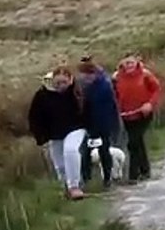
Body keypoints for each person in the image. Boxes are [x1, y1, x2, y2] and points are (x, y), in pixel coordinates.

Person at [28, 66, 88, 200]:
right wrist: (40, 136)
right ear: (52, 82)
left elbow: (88, 109)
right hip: (54, 133)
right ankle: (65, 187)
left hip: (76, 128)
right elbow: (35, 117)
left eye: (64, 83)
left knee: (71, 150)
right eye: (58, 83)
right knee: (60, 164)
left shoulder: (77, 91)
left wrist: (94, 129)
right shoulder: (42, 95)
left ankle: (75, 186)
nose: (61, 86)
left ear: (70, 80)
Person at [113, 55, 162, 183]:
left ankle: (133, 175)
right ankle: (145, 170)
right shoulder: (116, 77)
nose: (129, 65)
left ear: (136, 62)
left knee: (133, 142)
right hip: (126, 115)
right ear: (122, 64)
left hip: (143, 114)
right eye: (126, 63)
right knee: (137, 142)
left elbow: (156, 89)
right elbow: (114, 94)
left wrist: (150, 104)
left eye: (131, 62)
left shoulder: (145, 75)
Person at [76, 57, 120, 190]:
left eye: (87, 75)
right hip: (87, 125)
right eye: (82, 75)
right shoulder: (81, 86)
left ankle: (107, 178)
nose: (84, 78)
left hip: (102, 125)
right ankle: (86, 179)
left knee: (104, 152)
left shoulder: (104, 86)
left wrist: (112, 124)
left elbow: (111, 106)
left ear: (93, 73)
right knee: (85, 152)